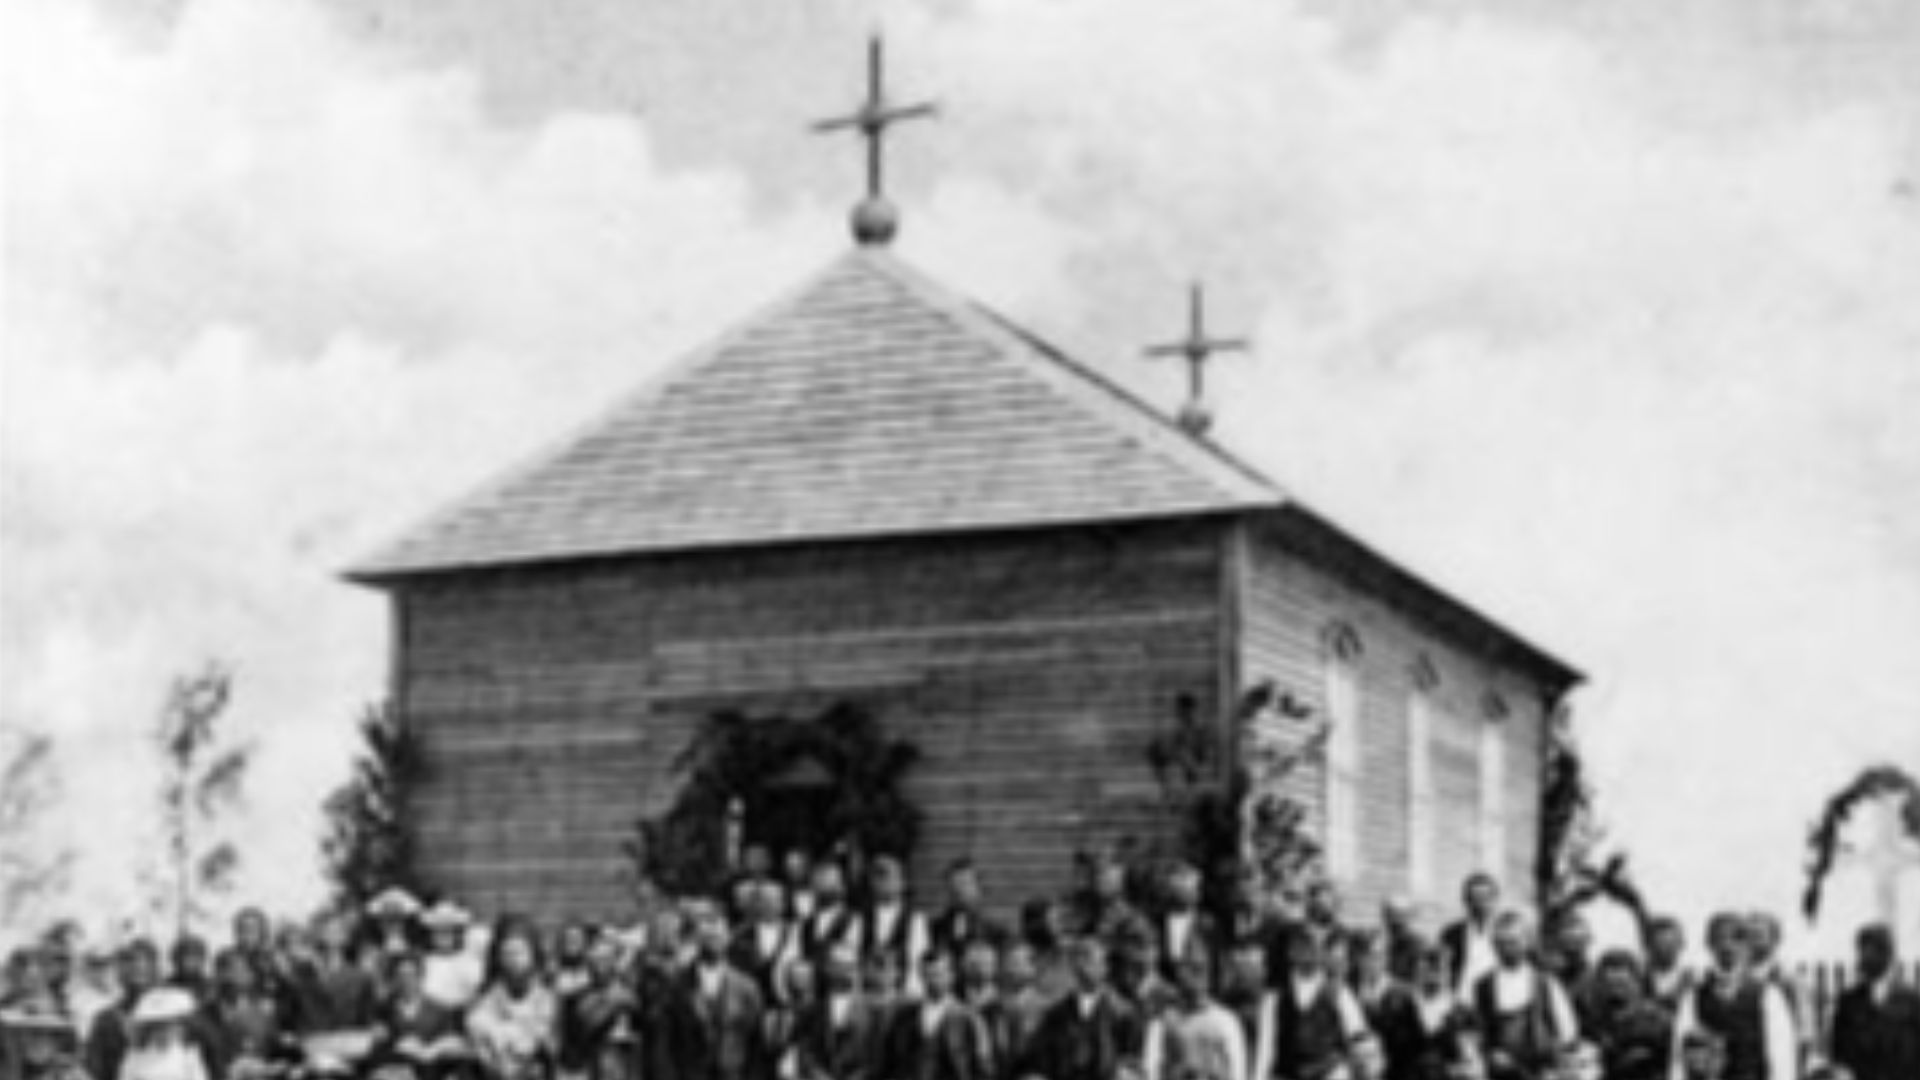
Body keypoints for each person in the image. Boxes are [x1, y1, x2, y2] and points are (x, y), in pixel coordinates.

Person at [1667, 913, 1793, 1080]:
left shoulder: (1768, 995)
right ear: (1709, 944)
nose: (1727, 946)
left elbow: (1781, 1057)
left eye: (1737, 938)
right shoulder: (1693, 996)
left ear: (1747, 945)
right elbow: (1679, 1057)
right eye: (1720, 939)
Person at [1470, 911, 1577, 1080]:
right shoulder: (1482, 986)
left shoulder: (1545, 982)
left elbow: (1568, 1031)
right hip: (1500, 1074)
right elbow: (1478, 1031)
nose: (1506, 949)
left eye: (1513, 942)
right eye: (1500, 943)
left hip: (1540, 1071)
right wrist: (1490, 1053)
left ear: (1527, 942)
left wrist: (1551, 1056)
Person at [1252, 928, 1371, 1080]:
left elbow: (1360, 1041)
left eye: (1316, 946)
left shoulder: (1339, 993)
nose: (1310, 953)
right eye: (1303, 946)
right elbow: (1264, 1050)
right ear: (1291, 953)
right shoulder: (1275, 997)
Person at [1028, 938, 1142, 1080]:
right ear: (1073, 966)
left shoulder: (1122, 1013)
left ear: (1105, 967)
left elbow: (1133, 1061)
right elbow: (1042, 1061)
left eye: (1095, 962)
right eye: (1083, 960)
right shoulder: (1056, 1015)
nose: (1087, 968)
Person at [676, 909, 765, 1080]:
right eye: (707, 938)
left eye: (718, 937)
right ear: (697, 940)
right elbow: (666, 1043)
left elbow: (756, 1044)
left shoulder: (747, 987)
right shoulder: (677, 985)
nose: (713, 943)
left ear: (728, 939)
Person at [1374, 938, 1480, 1080]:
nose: (1433, 973)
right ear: (1416, 968)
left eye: (1439, 966)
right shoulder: (1396, 1010)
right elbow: (1382, 1059)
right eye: (1427, 964)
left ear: (1450, 970)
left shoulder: (1465, 1015)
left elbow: (1472, 1067)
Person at [466, 919, 559, 1080]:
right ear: (499, 958)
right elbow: (476, 1028)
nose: (513, 959)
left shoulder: (548, 997)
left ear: (533, 956)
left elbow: (541, 1038)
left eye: (520, 952)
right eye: (507, 953)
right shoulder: (485, 996)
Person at [1827, 923, 1920, 1080]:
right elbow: (1838, 1054)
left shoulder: (1912, 1002)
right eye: (1861, 950)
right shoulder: (1848, 1002)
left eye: (1870, 951)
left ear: (1886, 954)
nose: (1863, 957)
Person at [880, 951, 987, 1080]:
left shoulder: (968, 1018)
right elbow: (889, 1062)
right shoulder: (904, 1017)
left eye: (938, 974)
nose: (932, 981)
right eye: (926, 975)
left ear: (951, 976)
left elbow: (981, 1067)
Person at [790, 943, 889, 1080]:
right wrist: (819, 1076)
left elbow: (876, 1057)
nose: (844, 971)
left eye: (849, 966)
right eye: (838, 965)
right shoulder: (811, 1010)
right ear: (828, 968)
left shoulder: (874, 1012)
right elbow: (805, 1051)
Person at [1142, 952, 1246, 1080]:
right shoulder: (1162, 1023)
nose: (1193, 977)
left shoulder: (1227, 1022)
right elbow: (1151, 1070)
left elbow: (1237, 1073)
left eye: (1199, 970)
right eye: (1188, 968)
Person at [201, 948, 295, 1080]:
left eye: (244, 971)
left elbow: (275, 1048)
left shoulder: (263, 1011)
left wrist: (281, 1060)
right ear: (218, 975)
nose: (237, 976)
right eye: (231, 971)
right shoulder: (203, 1016)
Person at [556, 935, 638, 1080]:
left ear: (614, 961)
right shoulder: (576, 998)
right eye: (595, 959)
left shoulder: (631, 992)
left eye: (605, 959)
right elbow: (588, 1025)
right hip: (593, 1066)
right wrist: (611, 1002)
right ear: (588, 963)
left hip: (628, 1065)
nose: (600, 965)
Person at [1582, 950, 1671, 1080]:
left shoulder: (1660, 1022)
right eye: (1609, 984)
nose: (1615, 990)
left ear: (1637, 982)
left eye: (1621, 984)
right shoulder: (1591, 1025)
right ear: (1599, 985)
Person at [88, 940, 161, 1080]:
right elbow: (95, 1070)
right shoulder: (105, 1020)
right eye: (131, 961)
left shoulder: (175, 1015)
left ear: (155, 969)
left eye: (146, 961)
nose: (139, 966)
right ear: (121, 971)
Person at [984, 943, 1047, 1080]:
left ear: (1032, 968)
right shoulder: (991, 1009)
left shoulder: (1046, 1009)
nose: (1012, 969)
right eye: (1009, 963)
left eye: (1018, 963)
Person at [119, 987, 212, 1080]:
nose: (165, 1031)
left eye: (171, 1025)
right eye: (159, 1026)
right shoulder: (134, 1055)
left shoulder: (189, 1055)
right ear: (151, 1029)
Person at [1155, 863, 1220, 990]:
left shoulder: (1209, 924)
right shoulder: (1157, 922)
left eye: (1189, 888)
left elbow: (1215, 965)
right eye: (1178, 887)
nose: (1183, 891)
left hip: (1202, 992)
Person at [730, 882, 796, 1004]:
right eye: (763, 900)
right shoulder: (739, 935)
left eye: (773, 900)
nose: (768, 905)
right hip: (750, 1004)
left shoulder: (796, 933)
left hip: (786, 1002)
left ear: (783, 904)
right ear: (756, 904)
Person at [930, 861, 1007, 962]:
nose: (958, 890)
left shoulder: (995, 928)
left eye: (964, 883)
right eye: (953, 884)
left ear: (978, 888)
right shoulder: (936, 927)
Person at [1442, 875, 1501, 1001]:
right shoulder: (1452, 934)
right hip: (1463, 1001)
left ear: (1495, 900)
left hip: (1496, 1003)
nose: (1480, 905)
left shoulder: (1503, 932)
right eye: (1475, 899)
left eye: (1485, 898)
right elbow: (1444, 970)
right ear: (1466, 901)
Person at [1, 995, 89, 1080]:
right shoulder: (8, 1069)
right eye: (31, 1033)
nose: (35, 1042)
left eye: (42, 1033)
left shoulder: (70, 1073)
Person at [421, 904, 485, 1012]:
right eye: (438, 930)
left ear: (456, 932)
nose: (443, 935)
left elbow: (477, 991)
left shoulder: (471, 959)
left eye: (448, 930)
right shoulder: (424, 961)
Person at [798, 865, 859, 967]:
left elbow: (852, 955)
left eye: (829, 880)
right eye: (820, 880)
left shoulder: (853, 918)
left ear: (842, 886)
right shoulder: (807, 922)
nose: (822, 884)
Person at [1642, 918, 1694, 1013]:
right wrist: (1679, 990)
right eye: (1660, 943)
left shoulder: (1695, 978)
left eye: (1671, 943)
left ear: (1682, 944)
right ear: (1648, 946)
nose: (1666, 949)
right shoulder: (1639, 979)